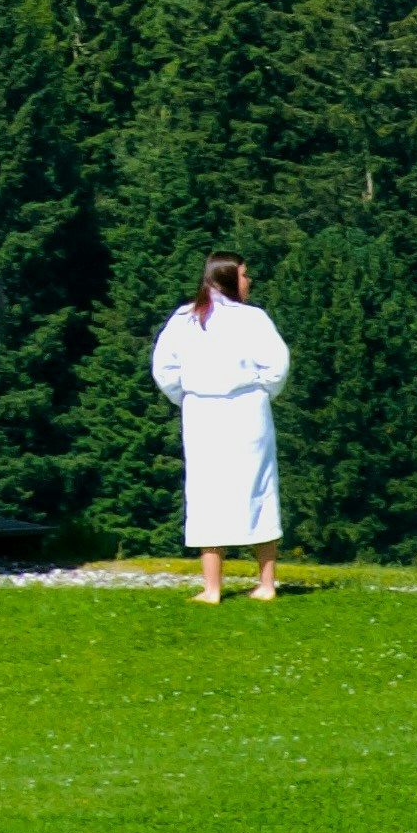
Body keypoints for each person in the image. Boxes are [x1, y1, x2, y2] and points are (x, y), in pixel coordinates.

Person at [150, 255, 289, 604]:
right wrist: (260, 391)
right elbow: (276, 366)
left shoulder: (185, 319)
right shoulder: (251, 319)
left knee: (207, 492)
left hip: (204, 412)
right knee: (257, 489)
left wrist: (188, 396)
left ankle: (213, 588)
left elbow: (165, 370)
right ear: (227, 277)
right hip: (244, 410)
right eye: (244, 274)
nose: (249, 280)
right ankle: (266, 583)